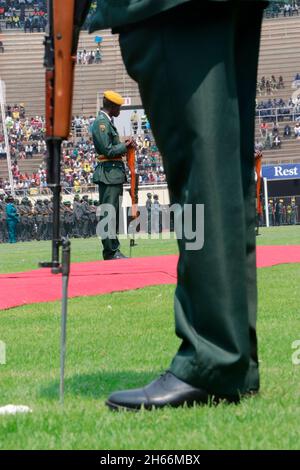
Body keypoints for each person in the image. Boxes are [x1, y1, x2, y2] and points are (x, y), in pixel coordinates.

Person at [90, 0, 269, 410]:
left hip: (168, 6)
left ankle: (212, 359)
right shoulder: (102, 123)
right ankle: (232, 357)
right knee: (223, 168)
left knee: (200, 170)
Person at [92, 90, 135, 260]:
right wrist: (125, 146)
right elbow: (108, 150)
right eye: (119, 107)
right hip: (108, 174)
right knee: (108, 213)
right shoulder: (101, 123)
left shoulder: (108, 122)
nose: (120, 111)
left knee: (113, 213)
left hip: (114, 174)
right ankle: (111, 251)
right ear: (112, 106)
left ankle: (113, 250)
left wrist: (126, 146)